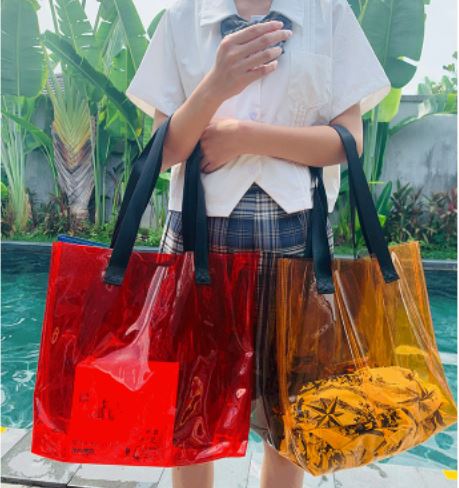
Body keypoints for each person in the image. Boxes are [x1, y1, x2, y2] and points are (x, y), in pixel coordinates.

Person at [126, 0, 391, 486]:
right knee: (190, 409)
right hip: (198, 234)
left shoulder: (327, 13)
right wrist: (216, 84)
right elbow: (164, 151)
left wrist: (245, 136)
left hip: (298, 235)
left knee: (291, 412)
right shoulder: (182, 20)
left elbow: (347, 142)